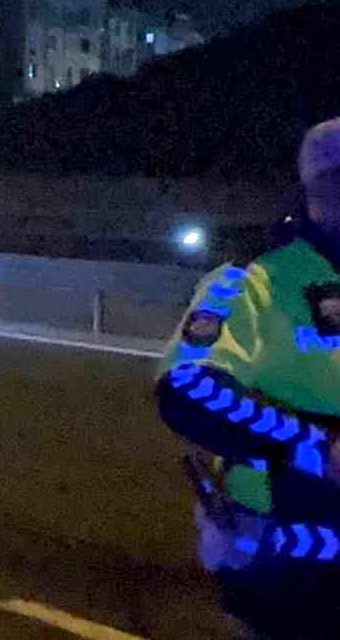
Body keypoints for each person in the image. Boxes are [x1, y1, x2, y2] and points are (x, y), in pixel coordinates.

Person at [156, 117, 340, 638]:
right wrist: (314, 447)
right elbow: (186, 388)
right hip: (293, 561)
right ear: (314, 191)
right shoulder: (249, 279)